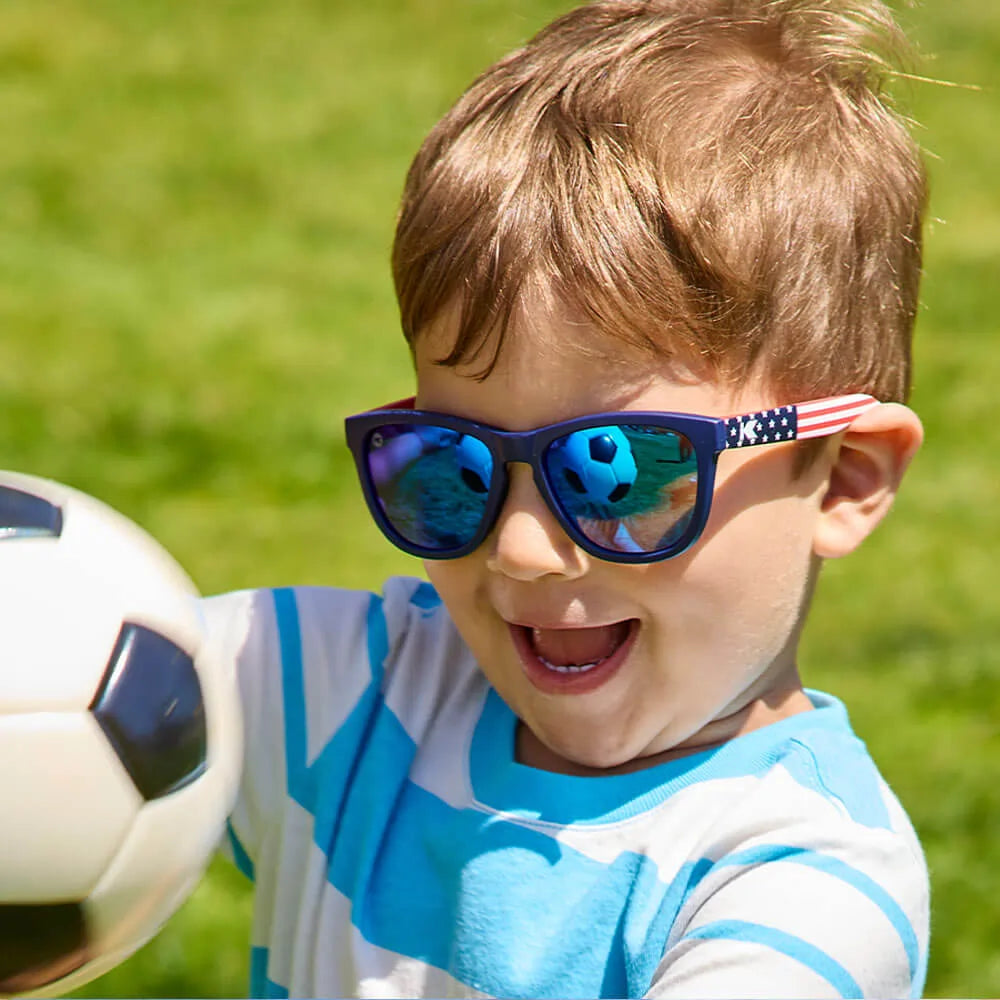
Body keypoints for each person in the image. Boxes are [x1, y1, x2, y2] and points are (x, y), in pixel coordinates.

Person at [204, 0, 930, 995]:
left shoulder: (805, 885)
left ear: (843, 477)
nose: (520, 550)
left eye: (617, 470)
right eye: (450, 464)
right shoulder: (352, 697)